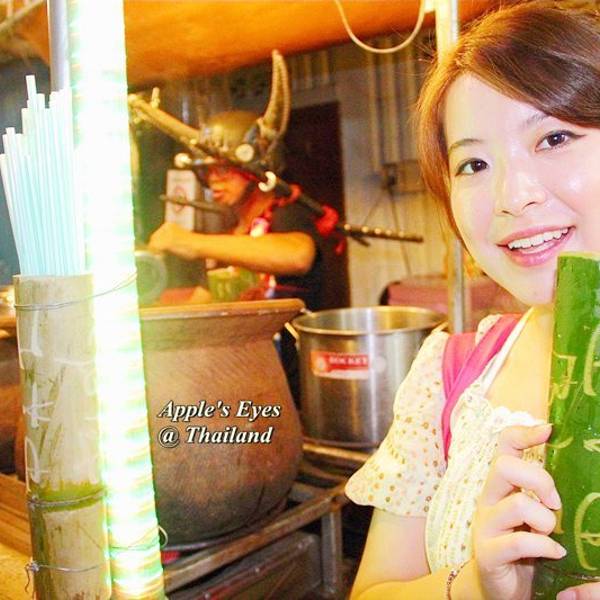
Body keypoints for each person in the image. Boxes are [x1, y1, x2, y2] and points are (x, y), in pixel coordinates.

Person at [346, 2, 600, 599]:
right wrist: (478, 587)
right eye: (474, 163)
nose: (513, 195)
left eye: (554, 137)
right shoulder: (450, 377)